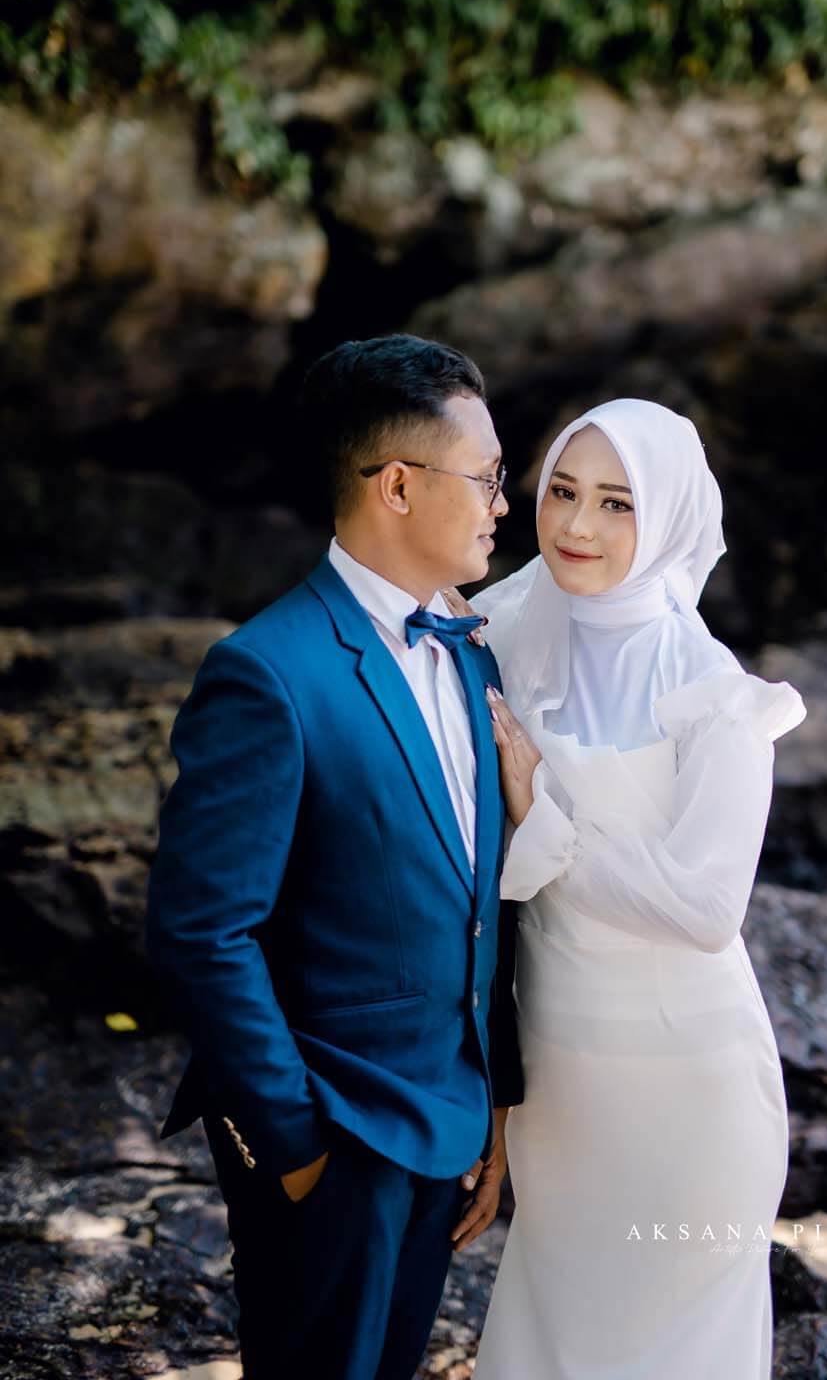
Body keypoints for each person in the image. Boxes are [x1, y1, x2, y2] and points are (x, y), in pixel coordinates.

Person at [145, 334, 524, 1380]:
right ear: (396, 486)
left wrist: (492, 1101)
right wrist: (295, 1145)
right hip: (335, 1136)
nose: (503, 504)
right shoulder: (267, 672)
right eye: (487, 477)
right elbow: (201, 930)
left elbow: (480, 902)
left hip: (449, 1126)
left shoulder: (473, 649)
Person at [469, 397, 805, 1380]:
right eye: (563, 492)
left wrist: (543, 821)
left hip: (685, 1084)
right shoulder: (510, 620)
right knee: (554, 1332)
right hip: (556, 1079)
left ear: (665, 518)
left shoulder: (712, 691)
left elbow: (705, 911)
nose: (577, 525)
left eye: (617, 504)